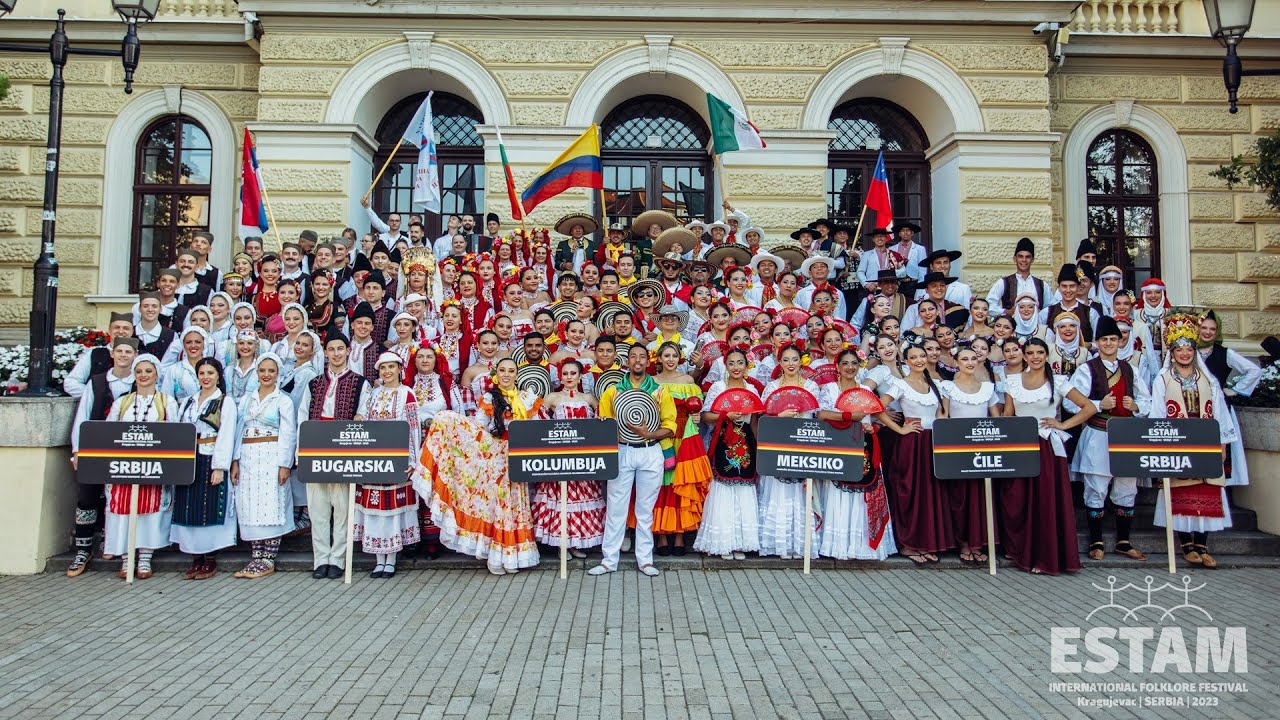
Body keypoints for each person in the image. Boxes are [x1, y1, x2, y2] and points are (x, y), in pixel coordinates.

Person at [423, 357, 541, 575]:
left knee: (515, 505)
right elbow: (479, 428)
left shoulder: (527, 398)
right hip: (496, 459)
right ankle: (496, 557)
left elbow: (536, 429)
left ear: (517, 374)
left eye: (511, 370)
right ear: (496, 374)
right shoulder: (489, 397)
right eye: (502, 370)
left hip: (519, 457)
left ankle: (512, 556)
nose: (507, 374)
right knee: (496, 506)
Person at [1149, 313, 1236, 569]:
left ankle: (1202, 544)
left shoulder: (1208, 379)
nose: (1185, 353)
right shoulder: (1162, 379)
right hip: (1176, 442)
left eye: (1189, 348)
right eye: (1180, 349)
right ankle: (1186, 544)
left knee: (1207, 488)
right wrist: (1160, 445)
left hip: (1206, 442)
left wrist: (1222, 444)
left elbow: (1219, 412)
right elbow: (1157, 413)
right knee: (1181, 491)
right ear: (1172, 352)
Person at [1001, 338, 1095, 575]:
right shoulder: (1012, 382)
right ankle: (1026, 553)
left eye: (1040, 352)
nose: (1035, 357)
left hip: (1048, 448)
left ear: (1046, 354)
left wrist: (1063, 425)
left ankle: (1048, 557)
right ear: (1023, 355)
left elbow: (1089, 407)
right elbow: (1009, 416)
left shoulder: (1059, 381)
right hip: (1022, 446)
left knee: (1046, 502)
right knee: (1022, 501)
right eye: (1030, 352)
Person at [589, 344, 678, 577]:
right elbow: (606, 422)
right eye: (633, 357)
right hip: (623, 450)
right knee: (616, 507)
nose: (637, 361)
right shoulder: (613, 391)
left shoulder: (660, 391)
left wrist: (649, 434)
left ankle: (645, 560)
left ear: (648, 362)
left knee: (645, 509)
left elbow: (670, 427)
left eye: (641, 357)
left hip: (651, 451)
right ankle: (609, 560)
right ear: (626, 361)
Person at [1067, 316, 1150, 562]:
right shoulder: (1086, 369)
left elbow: (1147, 401)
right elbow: (1071, 402)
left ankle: (1124, 541)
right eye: (1104, 340)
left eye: (1113, 339)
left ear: (1120, 341)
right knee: (1096, 488)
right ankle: (1096, 541)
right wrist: (1096, 404)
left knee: (1126, 489)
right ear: (1097, 342)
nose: (1109, 343)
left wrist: (1135, 405)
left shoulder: (1131, 369)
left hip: (1125, 436)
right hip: (1098, 434)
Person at [875, 341, 953, 565]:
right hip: (911, 442)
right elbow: (878, 407)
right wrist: (900, 428)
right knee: (910, 491)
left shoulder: (935, 384)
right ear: (906, 361)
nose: (919, 360)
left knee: (930, 493)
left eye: (922, 356)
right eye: (914, 357)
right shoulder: (901, 384)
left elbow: (942, 414)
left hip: (932, 441)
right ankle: (909, 544)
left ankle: (927, 542)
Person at [298, 333, 368, 580]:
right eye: (332, 349)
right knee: (317, 508)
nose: (336, 353)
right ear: (325, 353)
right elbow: (302, 419)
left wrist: (359, 419)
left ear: (348, 351)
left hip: (343, 452)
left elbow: (363, 414)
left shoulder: (360, 383)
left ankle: (337, 559)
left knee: (342, 508)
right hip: (316, 449)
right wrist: (301, 453)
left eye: (341, 348)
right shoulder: (315, 383)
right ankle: (321, 559)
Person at [66, 337, 138, 576]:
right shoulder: (96, 383)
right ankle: (83, 550)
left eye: (128, 351)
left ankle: (113, 543)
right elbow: (83, 417)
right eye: (120, 351)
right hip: (96, 447)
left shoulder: (138, 383)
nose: (124, 355)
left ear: (134, 355)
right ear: (112, 354)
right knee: (87, 497)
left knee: (117, 497)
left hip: (125, 450)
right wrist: (78, 450)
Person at [816, 347, 895, 561]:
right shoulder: (830, 389)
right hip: (839, 445)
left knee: (863, 494)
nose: (850, 367)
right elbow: (822, 413)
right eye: (845, 363)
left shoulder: (865, 391)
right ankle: (839, 546)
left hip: (864, 445)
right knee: (839, 493)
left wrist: (873, 427)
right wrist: (851, 416)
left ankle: (863, 547)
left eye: (854, 363)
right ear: (837, 367)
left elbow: (876, 417)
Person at [102, 354, 176, 579]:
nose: (143, 376)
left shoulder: (166, 401)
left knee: (150, 511)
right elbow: (108, 432)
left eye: (148, 371)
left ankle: (145, 558)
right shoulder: (122, 402)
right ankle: (126, 557)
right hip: (125, 466)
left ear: (156, 374)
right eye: (139, 372)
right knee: (122, 510)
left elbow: (175, 433)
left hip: (153, 466)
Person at [352, 352, 422, 578]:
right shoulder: (373, 394)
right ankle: (377, 559)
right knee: (375, 508)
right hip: (374, 458)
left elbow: (413, 428)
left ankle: (390, 559)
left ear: (399, 369)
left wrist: (413, 460)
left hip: (397, 457)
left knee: (391, 509)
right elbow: (362, 419)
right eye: (383, 368)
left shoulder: (407, 394)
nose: (387, 372)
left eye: (391, 367)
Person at [170, 357, 238, 580]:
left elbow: (226, 434)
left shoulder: (224, 402)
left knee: (208, 506)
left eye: (210, 373)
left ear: (218, 376)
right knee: (189, 506)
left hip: (210, 456)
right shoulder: (189, 401)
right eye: (202, 373)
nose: (206, 377)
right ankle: (195, 558)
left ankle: (209, 557)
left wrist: (219, 467)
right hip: (190, 457)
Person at [230, 353, 297, 579]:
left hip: (271, 454)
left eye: (271, 371)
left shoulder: (283, 400)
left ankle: (268, 557)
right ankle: (256, 556)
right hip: (249, 456)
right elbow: (239, 430)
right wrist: (236, 460)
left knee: (271, 502)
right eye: (262, 370)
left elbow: (288, 434)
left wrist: (284, 464)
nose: (266, 375)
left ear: (278, 374)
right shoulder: (247, 399)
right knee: (250, 504)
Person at [530, 359, 606, 557]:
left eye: (573, 373)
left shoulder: (589, 398)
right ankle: (561, 545)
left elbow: (601, 422)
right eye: (565, 374)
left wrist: (600, 420)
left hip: (584, 459)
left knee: (582, 497)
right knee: (561, 499)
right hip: (560, 458)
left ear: (580, 376)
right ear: (560, 376)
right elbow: (538, 424)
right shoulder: (552, 398)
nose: (569, 377)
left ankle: (577, 542)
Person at [694, 346, 761, 559]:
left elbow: (755, 423)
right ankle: (723, 542)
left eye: (740, 362)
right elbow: (705, 416)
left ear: (747, 365)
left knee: (744, 489)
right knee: (722, 489)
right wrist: (725, 415)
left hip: (746, 442)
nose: (735, 367)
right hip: (723, 440)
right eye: (731, 363)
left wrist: (758, 447)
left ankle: (740, 542)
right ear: (725, 365)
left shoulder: (752, 390)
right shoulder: (718, 386)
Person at [757, 343, 823, 559]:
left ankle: (800, 544)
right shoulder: (772, 387)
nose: (790, 364)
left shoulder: (812, 387)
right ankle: (777, 544)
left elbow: (816, 417)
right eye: (786, 360)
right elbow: (763, 420)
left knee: (800, 492)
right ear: (779, 362)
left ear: (801, 361)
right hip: (778, 444)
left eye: (795, 359)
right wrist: (779, 416)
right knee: (778, 491)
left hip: (804, 443)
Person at [650, 342, 712, 555]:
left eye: (674, 355)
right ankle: (661, 536)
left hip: (684, 436)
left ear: (680, 358)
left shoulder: (688, 381)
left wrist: (695, 416)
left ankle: (679, 535)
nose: (670, 359)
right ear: (658, 358)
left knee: (680, 482)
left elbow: (697, 409)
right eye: (666, 355)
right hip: (661, 437)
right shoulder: (652, 382)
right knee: (660, 484)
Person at [939, 346, 1000, 565]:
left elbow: (996, 420)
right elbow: (943, 418)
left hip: (982, 451)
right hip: (957, 450)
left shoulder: (987, 388)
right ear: (956, 362)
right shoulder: (947, 387)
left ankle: (978, 542)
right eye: (964, 359)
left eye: (973, 358)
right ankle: (963, 542)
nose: (970, 362)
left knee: (980, 497)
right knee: (960, 498)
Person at [1198, 309, 1261, 494]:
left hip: (1219, 410)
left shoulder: (1225, 353)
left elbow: (1254, 370)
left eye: (1212, 329)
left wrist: (1235, 390)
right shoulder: (1188, 350)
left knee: (1220, 451)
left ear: (1217, 332)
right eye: (1204, 327)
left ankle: (1218, 491)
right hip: (1193, 408)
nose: (1208, 332)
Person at [64, 312, 135, 398]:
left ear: (132, 331)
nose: (120, 331)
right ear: (109, 330)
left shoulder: (140, 357)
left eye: (126, 328)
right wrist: (95, 396)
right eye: (116, 327)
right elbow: (71, 382)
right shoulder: (95, 354)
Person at [985, 237, 1048, 315]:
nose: (1024, 260)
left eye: (1027, 257)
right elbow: (988, 305)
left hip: (1036, 326)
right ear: (1015, 259)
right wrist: (1007, 312)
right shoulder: (1003, 283)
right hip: (1012, 326)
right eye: (1020, 256)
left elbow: (1050, 309)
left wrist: (1039, 314)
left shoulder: (1042, 285)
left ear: (1032, 260)